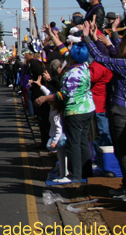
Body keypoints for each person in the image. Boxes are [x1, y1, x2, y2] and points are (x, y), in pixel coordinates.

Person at [84, 21, 126, 202]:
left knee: (124, 151)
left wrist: (88, 37)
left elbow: (101, 58)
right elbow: (115, 57)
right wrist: (111, 42)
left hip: (121, 111)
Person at [35, 42, 95, 184]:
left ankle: (75, 175)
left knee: (73, 143)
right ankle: (86, 173)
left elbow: (63, 95)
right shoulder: (84, 66)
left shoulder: (73, 74)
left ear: (73, 57)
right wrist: (53, 36)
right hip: (88, 108)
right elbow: (65, 52)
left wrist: (45, 98)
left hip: (76, 111)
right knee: (83, 141)